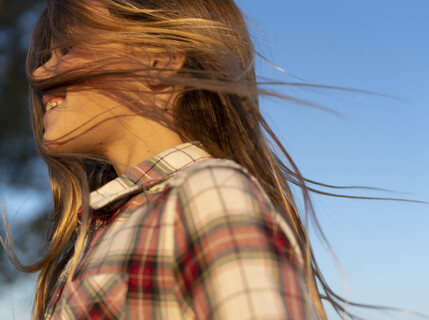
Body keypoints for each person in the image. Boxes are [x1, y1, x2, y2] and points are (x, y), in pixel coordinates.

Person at [3, 0, 367, 319]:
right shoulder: (109, 228)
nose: (38, 74)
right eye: (42, 58)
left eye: (66, 49)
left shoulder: (209, 194)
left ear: (158, 60)